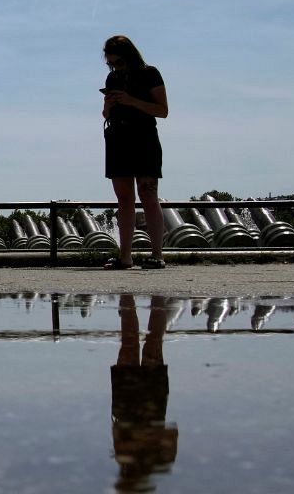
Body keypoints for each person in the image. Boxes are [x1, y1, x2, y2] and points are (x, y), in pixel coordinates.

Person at [102, 35, 170, 269]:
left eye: (118, 62)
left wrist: (131, 100)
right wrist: (109, 107)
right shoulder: (113, 77)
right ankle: (125, 256)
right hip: (118, 138)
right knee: (124, 199)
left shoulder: (150, 73)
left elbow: (162, 110)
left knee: (148, 194)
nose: (114, 67)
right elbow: (105, 114)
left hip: (144, 138)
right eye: (111, 63)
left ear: (129, 56)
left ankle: (157, 255)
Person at [110, 294, 178, 490]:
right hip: (148, 407)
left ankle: (129, 295)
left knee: (132, 343)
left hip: (127, 408)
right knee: (151, 344)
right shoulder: (159, 463)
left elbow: (117, 432)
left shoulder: (125, 461)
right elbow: (172, 432)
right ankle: (155, 296)